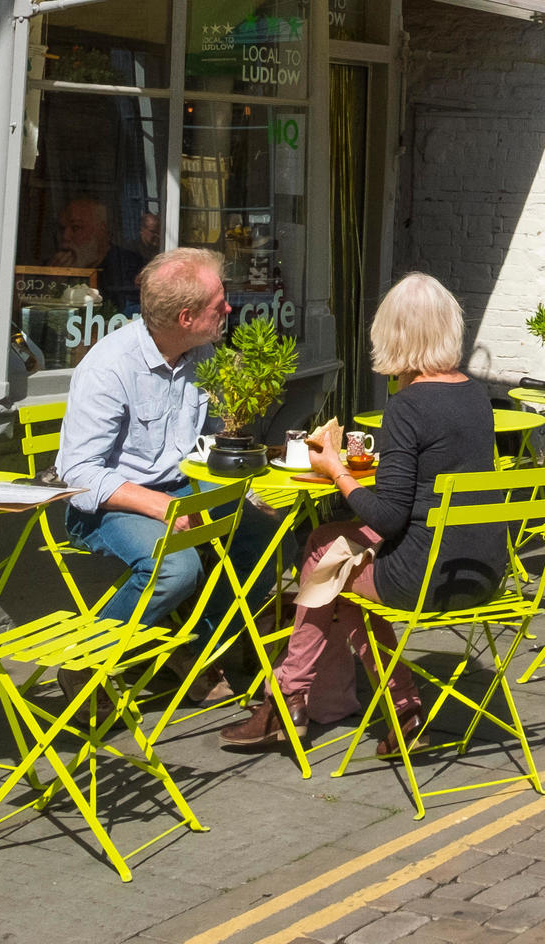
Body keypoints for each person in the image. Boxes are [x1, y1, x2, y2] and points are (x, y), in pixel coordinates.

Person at [224, 273, 502, 748]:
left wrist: (336, 469)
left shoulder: (409, 406)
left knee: (322, 558)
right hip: (480, 568)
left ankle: (288, 697)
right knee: (331, 552)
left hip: (426, 576)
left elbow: (388, 518)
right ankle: (400, 714)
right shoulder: (476, 395)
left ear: (394, 334)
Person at [56, 245, 230, 620]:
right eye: (219, 304)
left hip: (180, 487)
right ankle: (88, 666)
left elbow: (210, 437)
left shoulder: (201, 353)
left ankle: (192, 650)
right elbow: (79, 474)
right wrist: (163, 508)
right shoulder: (109, 367)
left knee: (264, 536)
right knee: (175, 570)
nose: (228, 309)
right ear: (186, 318)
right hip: (111, 506)